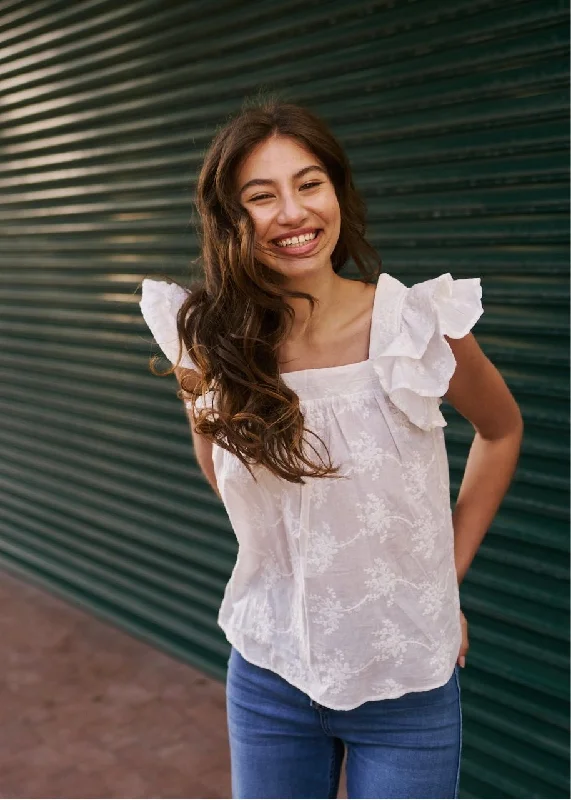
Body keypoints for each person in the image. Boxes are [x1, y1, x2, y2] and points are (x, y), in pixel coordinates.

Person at [139, 99, 524, 799]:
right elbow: (217, 464)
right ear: (230, 218)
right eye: (261, 196)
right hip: (267, 674)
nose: (292, 212)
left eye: (308, 183)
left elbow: (500, 431)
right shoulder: (207, 338)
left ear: (337, 192)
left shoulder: (416, 324)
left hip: (404, 682)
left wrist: (440, 580)